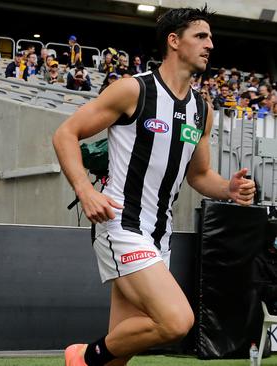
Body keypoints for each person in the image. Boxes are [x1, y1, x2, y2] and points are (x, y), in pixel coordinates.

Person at [53, 6, 255, 366]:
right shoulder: (134, 89)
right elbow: (65, 133)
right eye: (201, 36)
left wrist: (229, 189)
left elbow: (199, 175)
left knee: (121, 351)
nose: (211, 44)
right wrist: (85, 190)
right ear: (174, 42)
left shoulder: (201, 110)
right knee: (177, 320)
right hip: (121, 223)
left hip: (159, 234)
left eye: (211, 37)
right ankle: (83, 356)